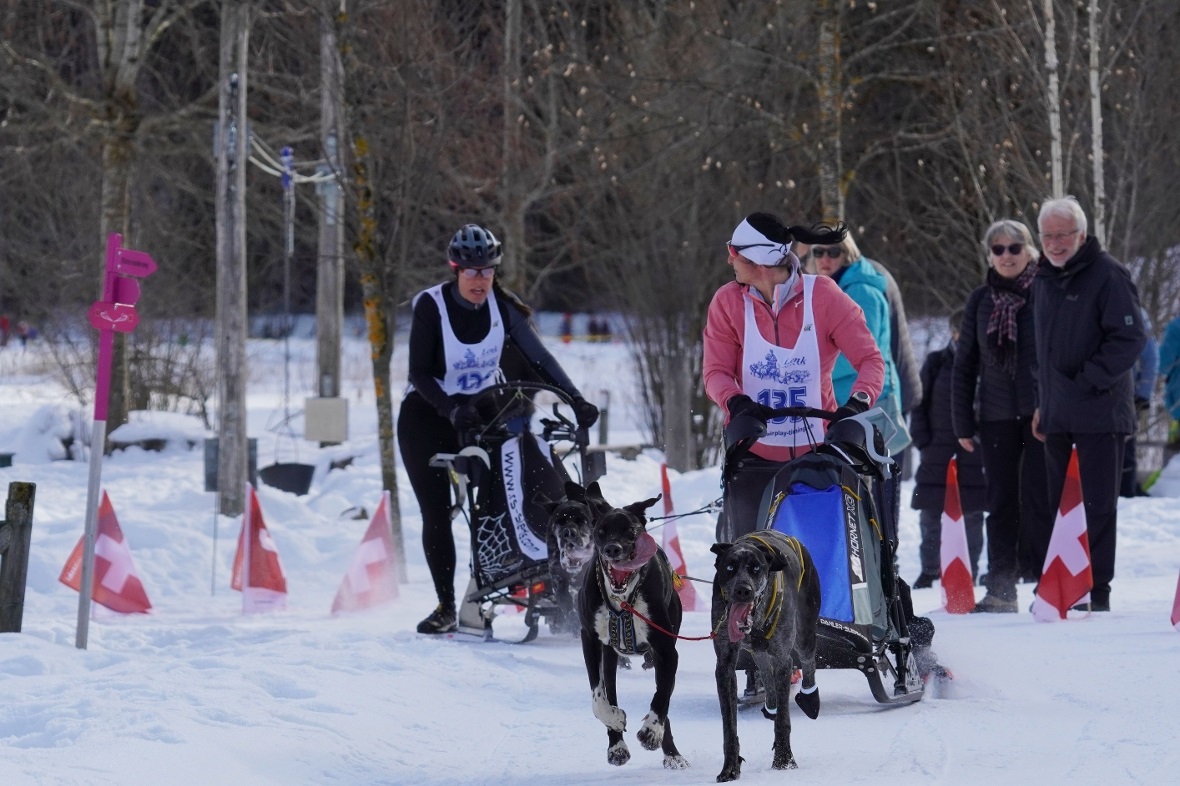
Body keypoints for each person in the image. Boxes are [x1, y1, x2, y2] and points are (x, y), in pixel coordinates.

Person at [399, 223, 599, 634]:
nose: (480, 280)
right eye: (471, 272)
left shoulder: (503, 308)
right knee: (436, 512)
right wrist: (450, 408)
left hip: (480, 415)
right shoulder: (431, 306)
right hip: (427, 415)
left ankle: (513, 576)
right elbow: (419, 372)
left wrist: (576, 399)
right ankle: (445, 605)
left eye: (487, 271)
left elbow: (540, 358)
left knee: (507, 489)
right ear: (455, 270)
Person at [703, 212, 886, 544]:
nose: (729, 258)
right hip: (753, 458)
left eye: (734, 251)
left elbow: (871, 361)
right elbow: (715, 372)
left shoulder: (824, 296)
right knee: (753, 572)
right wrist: (736, 401)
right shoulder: (727, 302)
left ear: (758, 262)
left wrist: (855, 406)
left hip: (818, 458)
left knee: (818, 567)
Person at [1031, 197, 1146, 613]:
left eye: (1063, 235)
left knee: (1096, 505)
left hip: (1100, 413)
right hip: (1057, 415)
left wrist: (1086, 382)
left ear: (1081, 235)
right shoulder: (1042, 278)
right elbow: (1041, 352)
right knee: (1058, 504)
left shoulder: (1108, 275)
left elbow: (1130, 339)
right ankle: (1063, 585)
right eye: (1048, 236)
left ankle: (1095, 590)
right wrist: (1044, 402)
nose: (1056, 244)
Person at [952, 219, 1052, 612]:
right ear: (989, 254)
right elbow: (965, 365)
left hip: (1040, 412)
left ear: (1030, 250)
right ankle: (1001, 588)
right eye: (998, 249)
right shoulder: (981, 300)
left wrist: (1051, 403)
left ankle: (1048, 587)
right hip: (994, 414)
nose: (1007, 255)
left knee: (1041, 498)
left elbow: (1054, 356)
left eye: (1015, 248)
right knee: (1001, 501)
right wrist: (962, 420)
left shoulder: (1046, 289)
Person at [910, 310, 985, 589]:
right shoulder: (935, 363)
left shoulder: (987, 364)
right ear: (953, 333)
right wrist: (922, 439)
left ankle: (970, 571)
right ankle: (930, 570)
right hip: (936, 451)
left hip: (974, 453)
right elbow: (919, 402)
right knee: (930, 514)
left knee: (974, 516)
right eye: (960, 331)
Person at [1121, 308, 1157, 497]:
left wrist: (1143, 393)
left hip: (1127, 395)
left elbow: (1150, 356)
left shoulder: (1136, 311)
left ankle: (1127, 493)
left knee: (1126, 446)